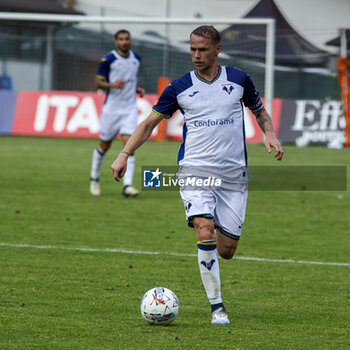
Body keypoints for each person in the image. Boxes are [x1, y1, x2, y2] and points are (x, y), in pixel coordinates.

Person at [111, 25, 284, 324]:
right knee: (204, 229)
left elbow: (259, 110)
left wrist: (269, 133)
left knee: (227, 250)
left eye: (202, 49)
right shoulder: (179, 87)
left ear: (217, 49)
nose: (196, 55)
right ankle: (217, 308)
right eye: (192, 49)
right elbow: (149, 123)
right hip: (194, 171)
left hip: (232, 176)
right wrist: (124, 153)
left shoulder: (239, 79)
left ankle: (211, 237)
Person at [90, 29, 145, 197]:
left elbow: (130, 79)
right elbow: (97, 84)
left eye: (127, 39)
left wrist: (136, 89)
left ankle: (127, 186)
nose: (124, 42)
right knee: (104, 145)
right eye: (121, 39)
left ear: (130, 41)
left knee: (129, 145)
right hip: (111, 110)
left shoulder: (136, 59)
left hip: (129, 109)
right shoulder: (109, 60)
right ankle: (94, 178)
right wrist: (112, 85)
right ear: (116, 42)